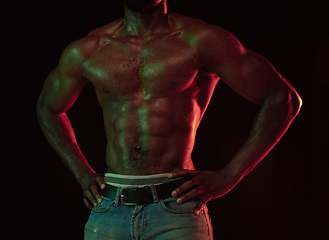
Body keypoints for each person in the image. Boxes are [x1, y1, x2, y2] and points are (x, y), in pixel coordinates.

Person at [37, 0, 302, 239]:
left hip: (176, 211)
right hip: (109, 211)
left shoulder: (199, 39)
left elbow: (282, 98)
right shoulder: (88, 49)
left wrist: (230, 175)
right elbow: (48, 107)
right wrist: (83, 175)